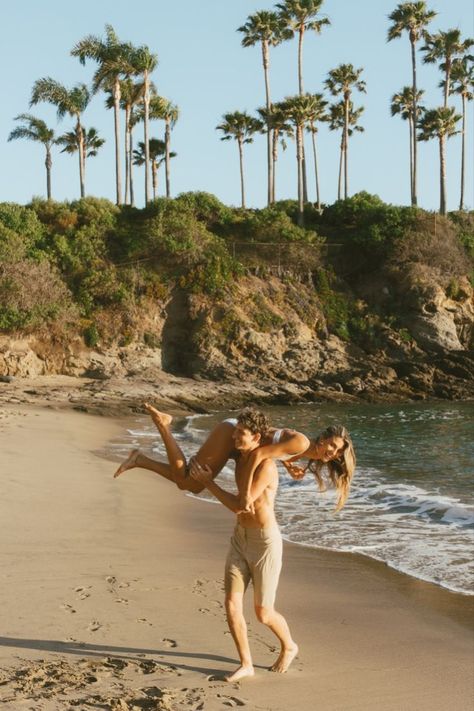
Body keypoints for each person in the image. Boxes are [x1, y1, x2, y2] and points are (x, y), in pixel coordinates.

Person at [190, 408, 298, 681]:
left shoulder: (265, 466)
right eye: (235, 430)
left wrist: (208, 483)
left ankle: (289, 646)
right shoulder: (239, 457)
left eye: (241, 433)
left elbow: (239, 505)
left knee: (263, 612)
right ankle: (246, 663)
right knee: (231, 603)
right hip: (240, 539)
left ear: (256, 437)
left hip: (264, 543)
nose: (234, 436)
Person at [114, 405, 356, 511]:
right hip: (232, 434)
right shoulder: (302, 442)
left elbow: (271, 443)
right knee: (188, 481)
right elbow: (260, 452)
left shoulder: (303, 448)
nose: (332, 453)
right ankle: (164, 426)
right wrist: (247, 495)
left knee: (192, 485)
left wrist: (287, 463)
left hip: (243, 440)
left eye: (337, 453)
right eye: (332, 446)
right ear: (323, 439)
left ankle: (141, 460)